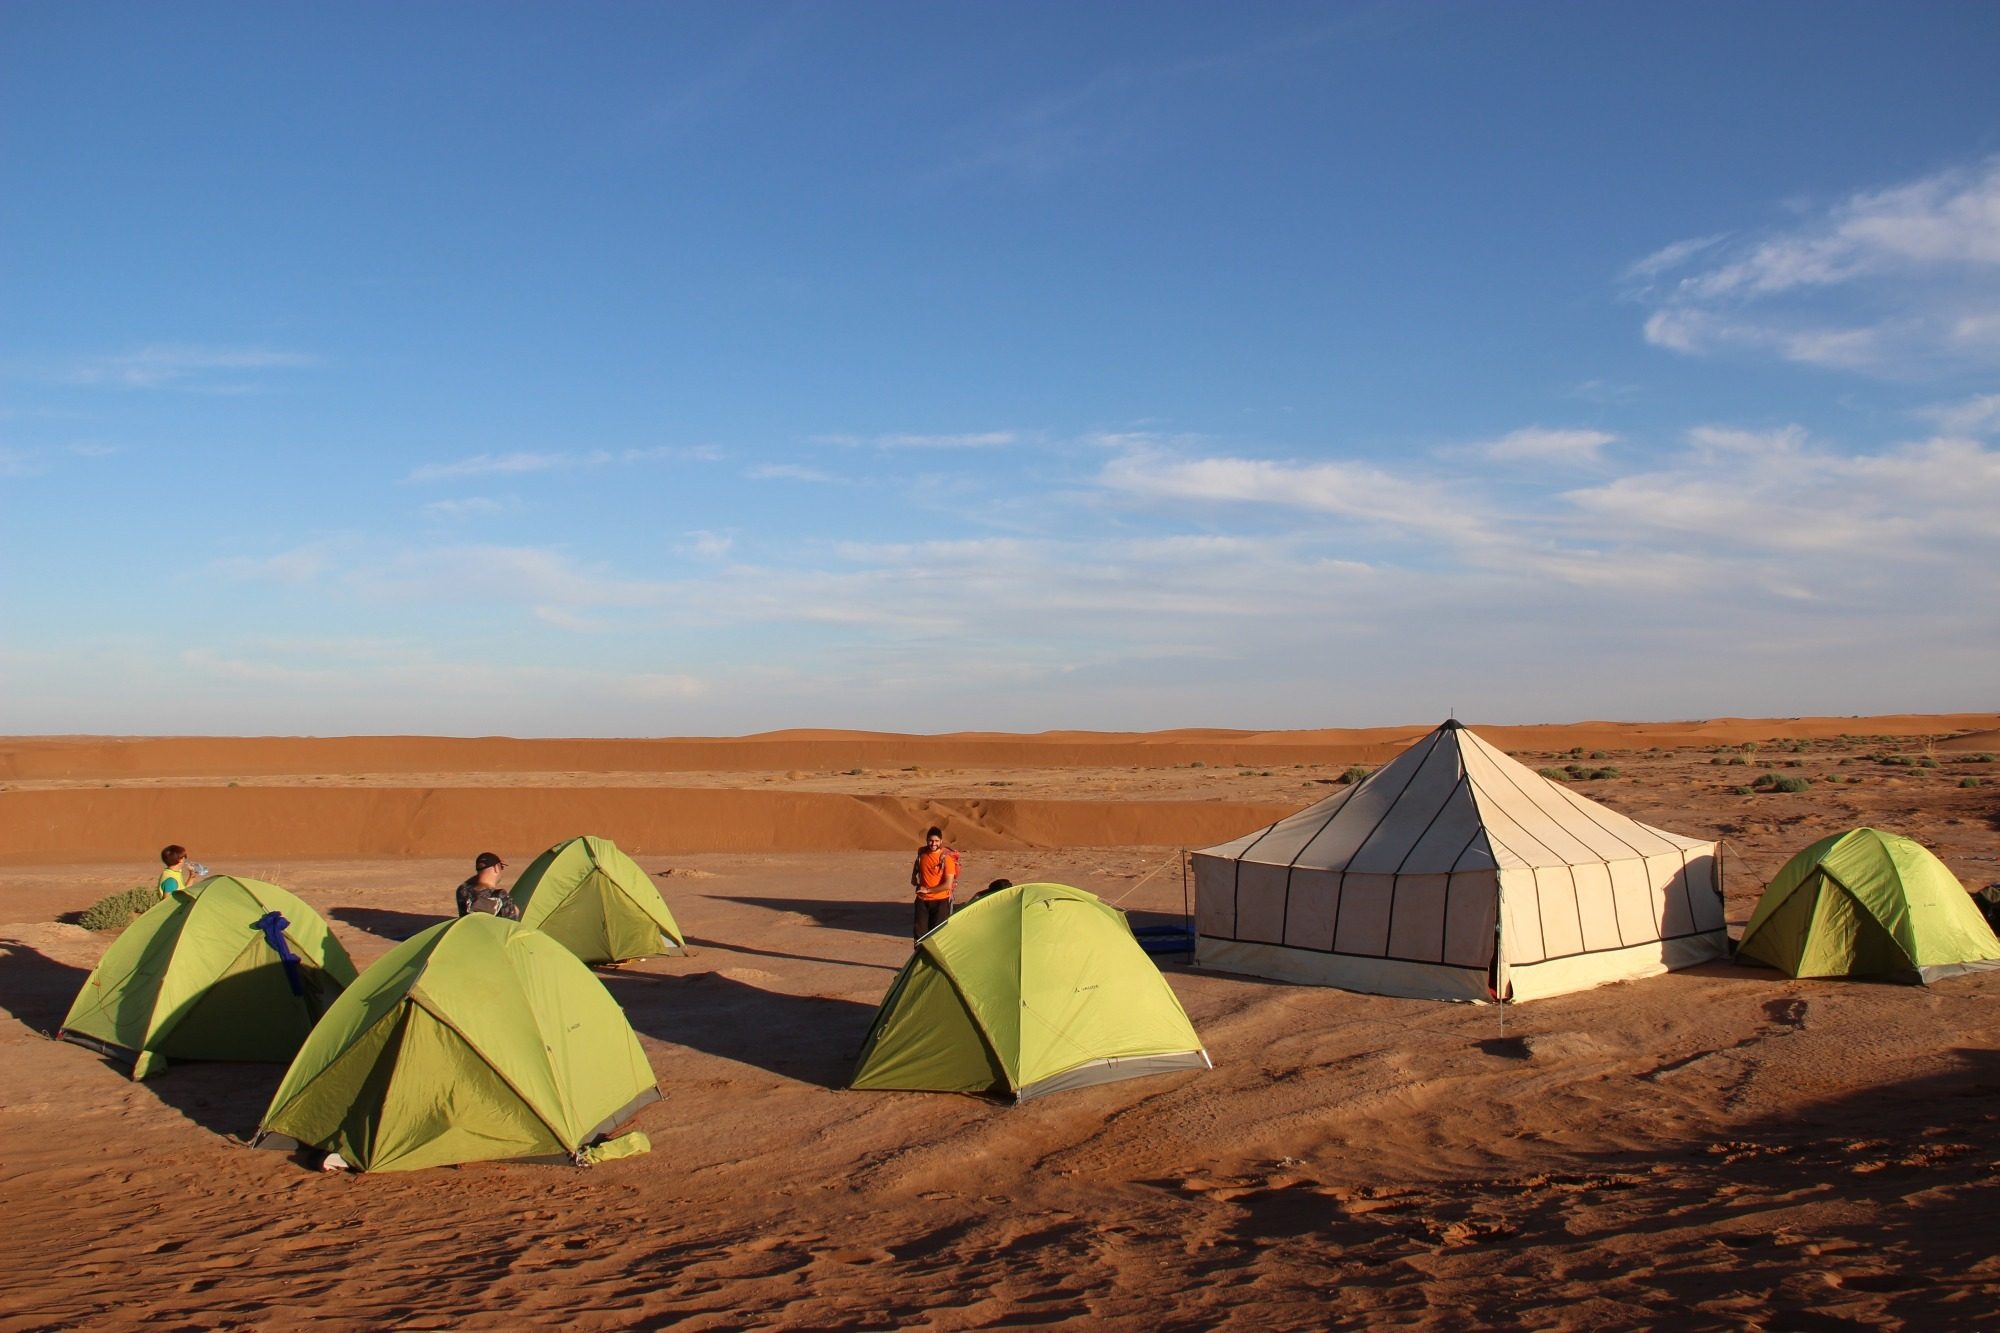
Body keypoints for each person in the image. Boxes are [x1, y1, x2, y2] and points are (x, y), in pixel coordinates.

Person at [909, 826, 959, 941]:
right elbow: (917, 865)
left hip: (940, 901)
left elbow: (947, 885)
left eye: (936, 841)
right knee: (919, 936)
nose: (933, 844)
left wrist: (928, 890)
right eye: (931, 840)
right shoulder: (922, 853)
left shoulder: (946, 859)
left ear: (941, 841)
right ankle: (920, 958)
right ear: (927, 840)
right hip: (922, 901)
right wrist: (913, 877)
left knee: (937, 936)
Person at [455, 851, 521, 920]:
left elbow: (466, 885)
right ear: (496, 868)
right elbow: (511, 923)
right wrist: (515, 912)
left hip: (469, 929)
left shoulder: (463, 892)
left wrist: (481, 872)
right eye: (501, 867)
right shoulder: (500, 896)